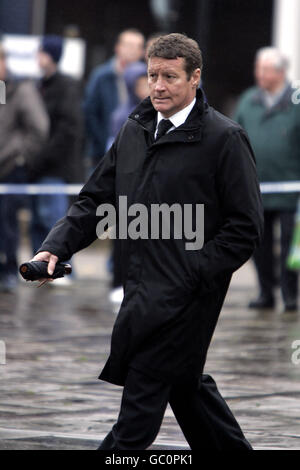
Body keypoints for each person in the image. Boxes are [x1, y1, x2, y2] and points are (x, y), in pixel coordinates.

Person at [31, 33, 263, 450]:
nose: (157, 85)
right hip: (141, 289)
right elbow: (95, 200)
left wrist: (195, 270)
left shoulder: (224, 138)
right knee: (187, 391)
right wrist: (56, 246)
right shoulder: (135, 130)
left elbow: (245, 227)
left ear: (195, 78)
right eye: (153, 75)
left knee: (136, 418)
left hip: (188, 299)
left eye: (169, 77)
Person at [234, 47, 300, 312]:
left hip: (291, 190)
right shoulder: (249, 99)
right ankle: (266, 292)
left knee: (288, 245)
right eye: (258, 68)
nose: (259, 74)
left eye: (266, 69)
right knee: (256, 242)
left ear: (281, 72)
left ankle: (290, 293)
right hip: (257, 188)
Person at [0, 43, 49, 292]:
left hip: (11, 167)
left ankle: (8, 269)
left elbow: (39, 127)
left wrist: (20, 156)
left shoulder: (21, 89)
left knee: (7, 221)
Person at [30, 35, 83, 259]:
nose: (38, 57)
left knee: (54, 221)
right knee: (38, 221)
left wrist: (43, 157)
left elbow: (67, 130)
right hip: (38, 167)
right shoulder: (39, 85)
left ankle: (61, 268)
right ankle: (38, 266)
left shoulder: (66, 86)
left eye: (42, 52)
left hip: (55, 168)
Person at [106, 60, 149, 306]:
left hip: (146, 190)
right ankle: (117, 281)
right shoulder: (122, 116)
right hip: (125, 187)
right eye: (140, 83)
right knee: (122, 239)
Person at [83, 29, 145, 169]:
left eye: (138, 46)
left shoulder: (148, 78)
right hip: (101, 155)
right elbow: (90, 112)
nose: (133, 50)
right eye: (128, 45)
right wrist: (103, 140)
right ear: (118, 47)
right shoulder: (101, 76)